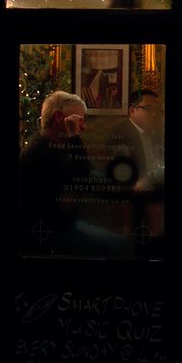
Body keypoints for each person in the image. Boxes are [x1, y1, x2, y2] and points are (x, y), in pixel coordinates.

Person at [19, 91, 128, 256]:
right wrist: (74, 137)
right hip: (48, 232)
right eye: (79, 121)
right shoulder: (40, 151)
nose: (83, 127)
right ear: (58, 118)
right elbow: (80, 177)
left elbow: (84, 172)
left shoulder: (58, 145)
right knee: (119, 246)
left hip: (63, 224)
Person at [107, 89, 164, 190]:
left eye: (158, 110)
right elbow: (120, 176)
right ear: (132, 111)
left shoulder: (155, 132)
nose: (155, 114)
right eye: (149, 108)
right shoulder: (121, 133)